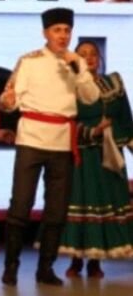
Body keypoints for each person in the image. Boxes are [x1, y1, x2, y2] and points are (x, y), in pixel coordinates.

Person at [0, 7, 100, 286]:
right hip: (31, 138)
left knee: (56, 210)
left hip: (62, 142)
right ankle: (11, 267)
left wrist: (79, 68)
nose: (63, 35)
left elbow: (91, 98)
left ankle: (45, 268)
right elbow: (9, 100)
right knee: (20, 205)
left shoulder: (76, 63)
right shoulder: (29, 61)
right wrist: (7, 102)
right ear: (46, 33)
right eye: (57, 30)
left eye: (67, 30)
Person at [57, 40, 133, 277]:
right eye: (83, 54)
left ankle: (95, 262)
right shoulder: (69, 87)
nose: (89, 58)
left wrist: (124, 140)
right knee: (82, 200)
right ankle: (76, 260)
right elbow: (67, 122)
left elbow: (125, 118)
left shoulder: (113, 83)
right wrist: (92, 131)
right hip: (82, 155)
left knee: (105, 203)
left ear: (99, 59)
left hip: (109, 154)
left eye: (93, 54)